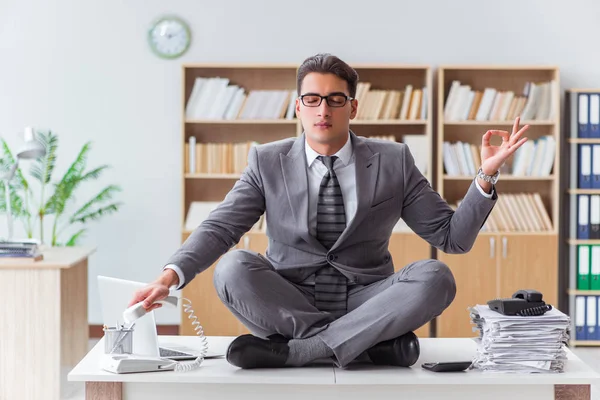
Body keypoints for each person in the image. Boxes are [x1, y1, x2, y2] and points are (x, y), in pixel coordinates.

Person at [129, 53, 529, 369]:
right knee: (233, 268)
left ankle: (301, 352)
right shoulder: (267, 161)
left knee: (435, 275)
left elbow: (451, 239)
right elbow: (221, 227)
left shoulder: (393, 160)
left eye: (336, 100)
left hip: (367, 298)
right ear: (298, 107)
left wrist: (485, 176)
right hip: (290, 299)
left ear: (352, 108)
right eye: (313, 99)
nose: (324, 109)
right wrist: (168, 277)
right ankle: (368, 347)